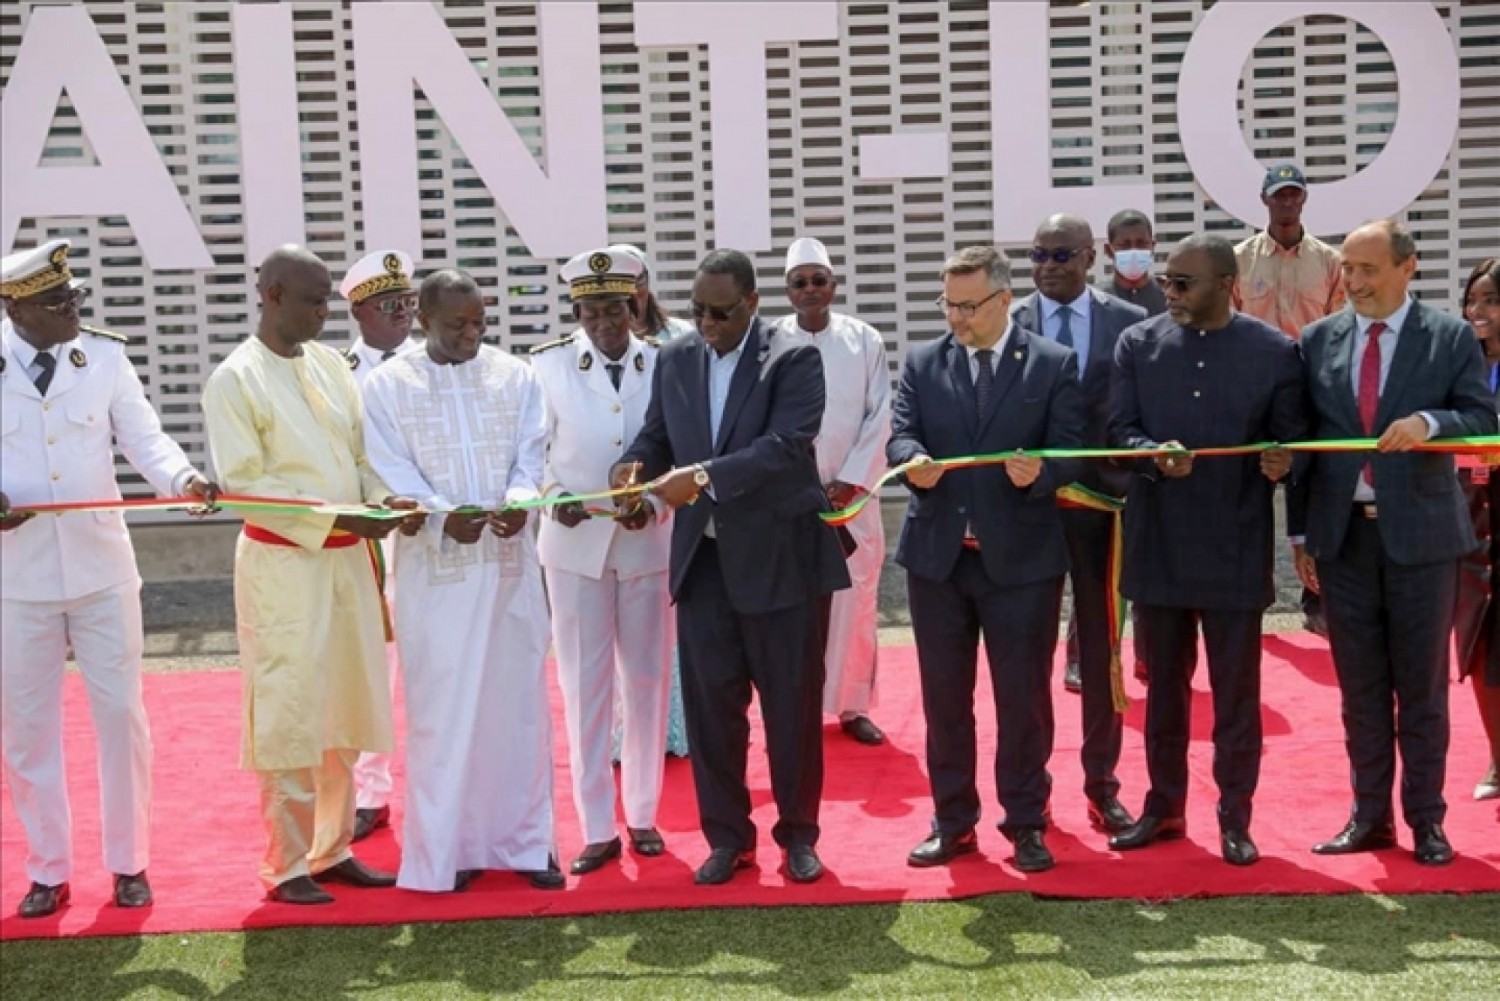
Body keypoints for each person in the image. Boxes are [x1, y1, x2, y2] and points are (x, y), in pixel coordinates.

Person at [610, 249, 850, 886]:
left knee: (791, 713)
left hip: (782, 562)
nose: (707, 324)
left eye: (720, 312)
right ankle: (728, 839)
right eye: (697, 312)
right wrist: (632, 467)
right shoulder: (677, 357)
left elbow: (785, 447)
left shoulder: (793, 357)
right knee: (713, 713)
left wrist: (705, 478)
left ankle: (799, 837)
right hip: (705, 561)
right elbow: (658, 436)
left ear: (751, 303)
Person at [0, 240, 216, 918]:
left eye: (75, 296)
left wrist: (182, 479)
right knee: (28, 729)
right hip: (17, 577)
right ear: (15, 307)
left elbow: (144, 437)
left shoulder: (106, 357)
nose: (74, 308)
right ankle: (49, 868)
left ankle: (129, 863)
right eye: (56, 300)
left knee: (121, 717)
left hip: (100, 568)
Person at [202, 245, 418, 904]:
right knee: (291, 711)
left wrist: (384, 500)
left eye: (327, 299)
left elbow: (362, 454)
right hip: (283, 566)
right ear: (269, 293)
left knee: (345, 705)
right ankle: (285, 863)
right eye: (310, 299)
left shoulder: (330, 365)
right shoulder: (234, 379)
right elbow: (245, 485)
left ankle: (332, 847)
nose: (323, 313)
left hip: (348, 560)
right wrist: (340, 522)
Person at [1293, 221, 1497, 865]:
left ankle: (1427, 823)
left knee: (1422, 689)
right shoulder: (1317, 340)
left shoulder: (1450, 337)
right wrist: (1300, 533)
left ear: (1408, 268)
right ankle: (1369, 818)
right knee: (1360, 689)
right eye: (1347, 269)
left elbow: (1483, 418)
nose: (1353, 281)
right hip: (1342, 540)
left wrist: (1430, 423)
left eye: (1367, 269)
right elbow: (1306, 447)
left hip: (1425, 540)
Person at [1107, 234, 1309, 867]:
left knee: (1235, 696)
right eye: (1167, 281)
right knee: (1164, 691)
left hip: (1235, 548)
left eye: (1182, 283)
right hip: (1158, 544)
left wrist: (1284, 462)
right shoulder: (1138, 345)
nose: (1169, 292)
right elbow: (1118, 431)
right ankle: (1163, 808)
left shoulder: (1275, 353)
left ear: (1227, 285)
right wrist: (1149, 453)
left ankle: (1235, 818)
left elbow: (1296, 442)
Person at [361, 269, 563, 893]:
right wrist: (445, 517)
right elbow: (386, 465)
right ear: (422, 318)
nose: (471, 335)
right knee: (443, 714)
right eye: (457, 325)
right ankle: (450, 849)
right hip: (436, 572)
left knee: (518, 708)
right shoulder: (387, 386)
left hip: (508, 567)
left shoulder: (516, 375)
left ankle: (528, 845)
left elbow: (533, 453)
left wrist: (518, 498)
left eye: (478, 323)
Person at [890, 245, 1086, 874]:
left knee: (1023, 698)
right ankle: (952, 821)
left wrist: (1042, 472)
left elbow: (1074, 449)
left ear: (1004, 300)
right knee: (945, 699)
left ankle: (1026, 821)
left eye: (968, 305)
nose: (956, 317)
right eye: (947, 304)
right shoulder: (923, 363)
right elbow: (901, 432)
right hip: (938, 561)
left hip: (1022, 562)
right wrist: (911, 456)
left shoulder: (1052, 363)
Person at [532, 248, 674, 875]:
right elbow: (528, 451)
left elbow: (680, 449)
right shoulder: (547, 368)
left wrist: (657, 505)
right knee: (584, 688)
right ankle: (595, 827)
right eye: (591, 311)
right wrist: (552, 496)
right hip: (575, 548)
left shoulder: (667, 364)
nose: (605, 322)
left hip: (647, 542)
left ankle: (641, 814)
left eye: (615, 308)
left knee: (646, 684)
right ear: (577, 312)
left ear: (634, 304)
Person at [1010, 214, 1146, 835]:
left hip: (1105, 511)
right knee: (1028, 659)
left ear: (1092, 257)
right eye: (1039, 254)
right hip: (1032, 512)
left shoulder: (1130, 324)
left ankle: (1103, 785)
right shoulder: (1007, 325)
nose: (1049, 265)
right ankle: (1029, 796)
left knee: (1100, 655)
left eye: (1063, 254)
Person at [773, 237, 891, 746]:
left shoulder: (864, 338)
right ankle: (793, 708)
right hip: (787, 498)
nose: (810, 290)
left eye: (818, 280)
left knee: (856, 601)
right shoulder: (770, 341)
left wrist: (852, 481)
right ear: (788, 290)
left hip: (853, 498)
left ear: (833, 286)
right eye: (800, 282)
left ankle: (851, 706)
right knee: (788, 605)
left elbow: (880, 412)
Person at [1234, 163, 1346, 639]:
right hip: (1254, 392)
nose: (1286, 203)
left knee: (1311, 493)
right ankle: (1252, 594)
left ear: (1304, 200)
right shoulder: (1239, 259)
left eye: (1293, 195)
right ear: (1264, 201)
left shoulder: (1328, 261)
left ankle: (1316, 598)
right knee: (1249, 494)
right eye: (1278, 196)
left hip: (1308, 390)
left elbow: (1339, 327)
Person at [338, 249, 421, 844]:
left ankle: (439, 787)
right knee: (372, 666)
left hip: (433, 530)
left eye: (408, 302)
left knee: (436, 664)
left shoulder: (434, 360)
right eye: (389, 305)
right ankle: (370, 790)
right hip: (371, 537)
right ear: (358, 311)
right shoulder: (336, 373)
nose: (403, 314)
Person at [609, 243, 691, 758]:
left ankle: (676, 730)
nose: (628, 297)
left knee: (671, 624)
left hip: (672, 501)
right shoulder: (591, 345)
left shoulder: (679, 340)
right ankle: (631, 736)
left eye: (633, 285)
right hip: (608, 509)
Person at [1103, 209, 1168, 686]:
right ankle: (1086, 654)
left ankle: (1149, 651)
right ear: (1107, 251)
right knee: (1095, 565)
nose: (1134, 250)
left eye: (1141, 241)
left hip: (1153, 448)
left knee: (1150, 557)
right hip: (1103, 450)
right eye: (1124, 242)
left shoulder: (1169, 299)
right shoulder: (1098, 305)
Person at [1453, 257, 1500, 802]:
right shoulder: (1460, 365)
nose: (1478, 311)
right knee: (1479, 647)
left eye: (1490, 300)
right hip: (1470, 517)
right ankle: (1496, 758)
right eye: (1472, 300)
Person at [1104, 209, 1168, 319]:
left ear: (1152, 246)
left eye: (1142, 244)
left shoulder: (1169, 296)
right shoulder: (1097, 300)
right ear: (1108, 250)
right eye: (1124, 245)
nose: (1134, 251)